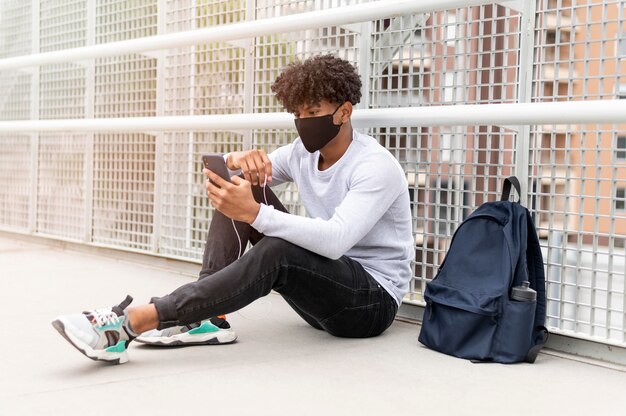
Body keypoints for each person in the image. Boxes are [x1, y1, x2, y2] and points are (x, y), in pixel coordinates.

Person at [52, 54, 415, 364]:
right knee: (241, 188)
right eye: (298, 112)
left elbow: (336, 240)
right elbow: (228, 177)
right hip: (323, 295)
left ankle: (132, 322)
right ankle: (206, 319)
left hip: (369, 305)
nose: (304, 120)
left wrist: (256, 215)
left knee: (277, 246)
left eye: (314, 111)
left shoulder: (374, 166)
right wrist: (233, 159)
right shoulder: (301, 153)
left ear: (344, 112)